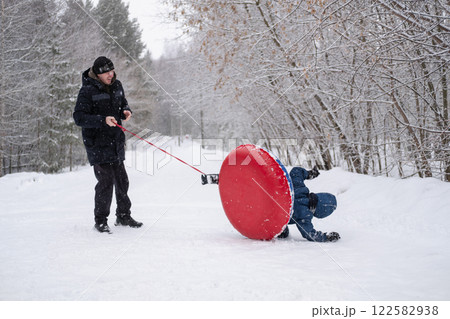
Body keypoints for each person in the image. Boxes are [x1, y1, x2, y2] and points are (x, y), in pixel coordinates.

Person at [73, 56, 143, 233]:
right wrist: (103, 120)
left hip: (116, 141)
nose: (111, 75)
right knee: (106, 182)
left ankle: (123, 215)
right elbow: (79, 118)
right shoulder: (87, 91)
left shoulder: (117, 85)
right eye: (107, 73)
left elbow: (122, 103)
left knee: (122, 180)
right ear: (98, 74)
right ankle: (101, 220)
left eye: (112, 71)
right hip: (97, 143)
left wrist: (126, 111)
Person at [278, 166, 340, 242]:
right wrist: (326, 238)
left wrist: (309, 174)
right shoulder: (305, 216)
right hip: (270, 217)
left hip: (269, 197)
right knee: (283, 232)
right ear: (320, 214)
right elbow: (310, 234)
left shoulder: (299, 189)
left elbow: (296, 171)